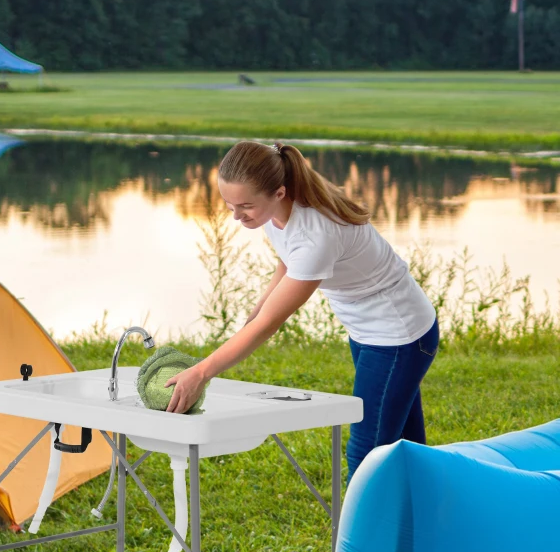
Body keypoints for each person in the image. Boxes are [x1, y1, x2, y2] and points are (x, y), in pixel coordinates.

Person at [164, 140, 439, 483]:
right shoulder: (274, 211)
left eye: (245, 206)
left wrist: (201, 372)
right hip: (370, 332)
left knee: (367, 452)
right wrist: (260, 304)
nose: (236, 216)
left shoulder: (315, 234)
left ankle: (359, 536)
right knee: (405, 445)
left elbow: (269, 325)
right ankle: (422, 522)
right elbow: (286, 259)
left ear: (278, 192)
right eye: (229, 205)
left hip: (399, 336)